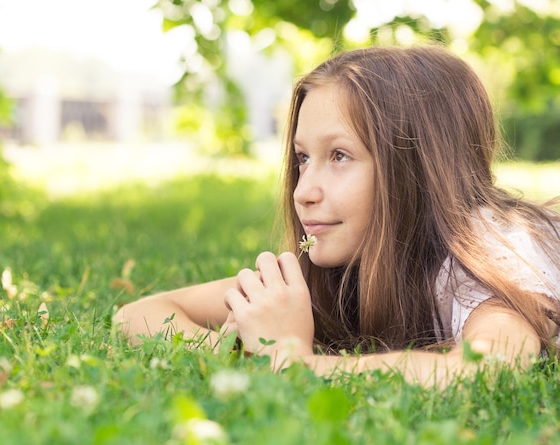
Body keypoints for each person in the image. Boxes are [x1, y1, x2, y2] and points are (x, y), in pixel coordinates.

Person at [114, 45, 560, 386]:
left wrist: (296, 362)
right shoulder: (342, 263)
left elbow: (490, 369)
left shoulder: (485, 254)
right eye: (303, 158)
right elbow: (140, 313)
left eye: (340, 155)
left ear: (417, 170)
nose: (303, 191)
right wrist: (234, 350)